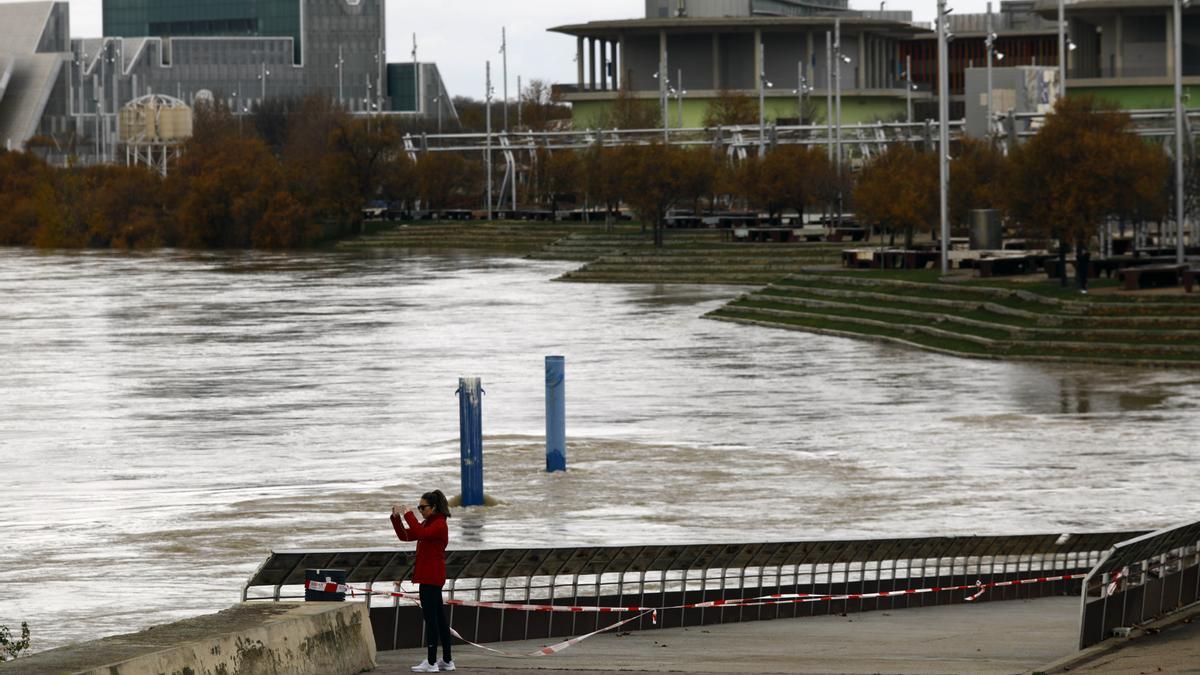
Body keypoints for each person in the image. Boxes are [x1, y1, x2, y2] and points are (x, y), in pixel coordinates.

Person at [391, 490, 454, 672]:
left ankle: (432, 662)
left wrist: (408, 513)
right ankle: (447, 661)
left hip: (431, 578)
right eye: (418, 507)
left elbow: (421, 533)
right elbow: (406, 535)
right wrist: (396, 518)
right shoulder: (429, 523)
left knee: (432, 620)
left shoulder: (439, 524)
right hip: (429, 577)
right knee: (440, 620)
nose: (420, 510)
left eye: (422, 507)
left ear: (433, 507)